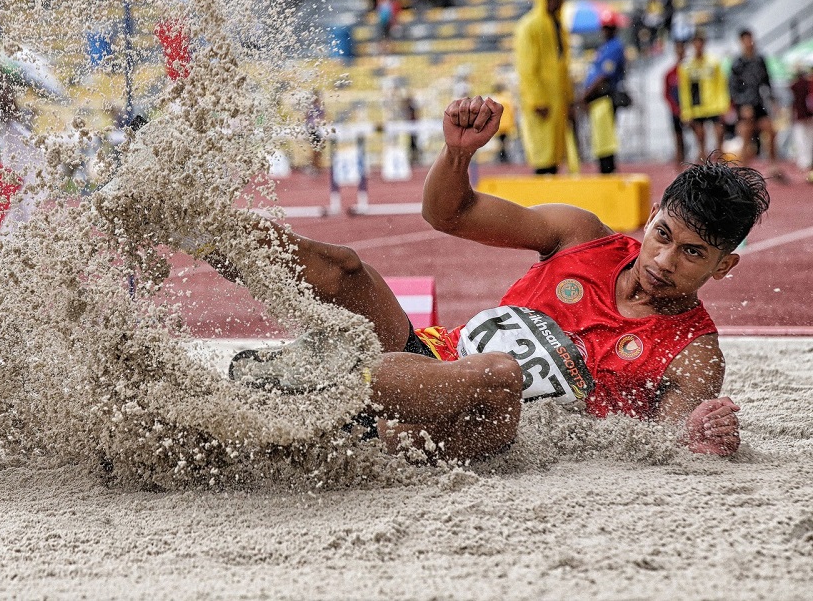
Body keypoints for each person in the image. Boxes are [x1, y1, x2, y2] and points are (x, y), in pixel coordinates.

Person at [218, 95, 767, 462]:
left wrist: (702, 435)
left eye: (692, 253)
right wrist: (458, 155)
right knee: (345, 268)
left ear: (724, 266)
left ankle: (320, 396)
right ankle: (199, 229)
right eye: (663, 235)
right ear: (651, 220)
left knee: (500, 372)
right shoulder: (581, 237)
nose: (665, 261)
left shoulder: (693, 353)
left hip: (490, 425)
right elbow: (448, 214)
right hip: (424, 360)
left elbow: (665, 444)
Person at [514, 0, 572, 175]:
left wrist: (569, 97)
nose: (555, 2)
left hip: (557, 99)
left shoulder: (558, 25)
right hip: (542, 101)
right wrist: (536, 100)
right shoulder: (529, 26)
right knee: (542, 154)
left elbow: (563, 65)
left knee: (555, 154)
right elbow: (527, 68)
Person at [729, 29, 784, 180]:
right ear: (741, 42)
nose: (749, 43)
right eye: (746, 40)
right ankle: (743, 172)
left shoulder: (760, 60)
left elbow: (767, 82)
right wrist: (742, 105)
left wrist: (773, 102)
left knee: (771, 131)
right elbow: (733, 88)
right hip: (744, 106)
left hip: (759, 104)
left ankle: (773, 166)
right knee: (746, 137)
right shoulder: (737, 63)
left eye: (750, 39)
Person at [581, 10, 627, 174]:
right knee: (600, 140)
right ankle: (605, 169)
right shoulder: (605, 47)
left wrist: (585, 95)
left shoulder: (615, 47)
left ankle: (608, 171)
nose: (606, 30)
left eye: (609, 27)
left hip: (604, 98)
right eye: (604, 27)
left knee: (606, 141)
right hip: (597, 99)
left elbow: (603, 76)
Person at [678, 29, 730, 164]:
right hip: (697, 106)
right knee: (700, 138)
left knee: (719, 135)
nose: (698, 45)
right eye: (696, 43)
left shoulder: (714, 62)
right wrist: (686, 111)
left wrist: (724, 105)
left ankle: (721, 163)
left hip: (714, 105)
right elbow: (684, 90)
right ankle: (702, 165)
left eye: (701, 42)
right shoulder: (686, 66)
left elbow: (721, 84)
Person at [663, 39, 688, 167]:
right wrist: (676, 109)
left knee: (700, 135)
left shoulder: (690, 71)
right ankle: (679, 166)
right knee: (678, 139)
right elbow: (666, 94)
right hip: (676, 110)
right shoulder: (670, 73)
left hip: (690, 110)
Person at [790, 65, 813, 184]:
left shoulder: (799, 85)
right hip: (805, 116)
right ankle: (806, 163)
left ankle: (806, 163)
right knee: (805, 140)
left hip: (804, 116)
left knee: (804, 140)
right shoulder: (803, 84)